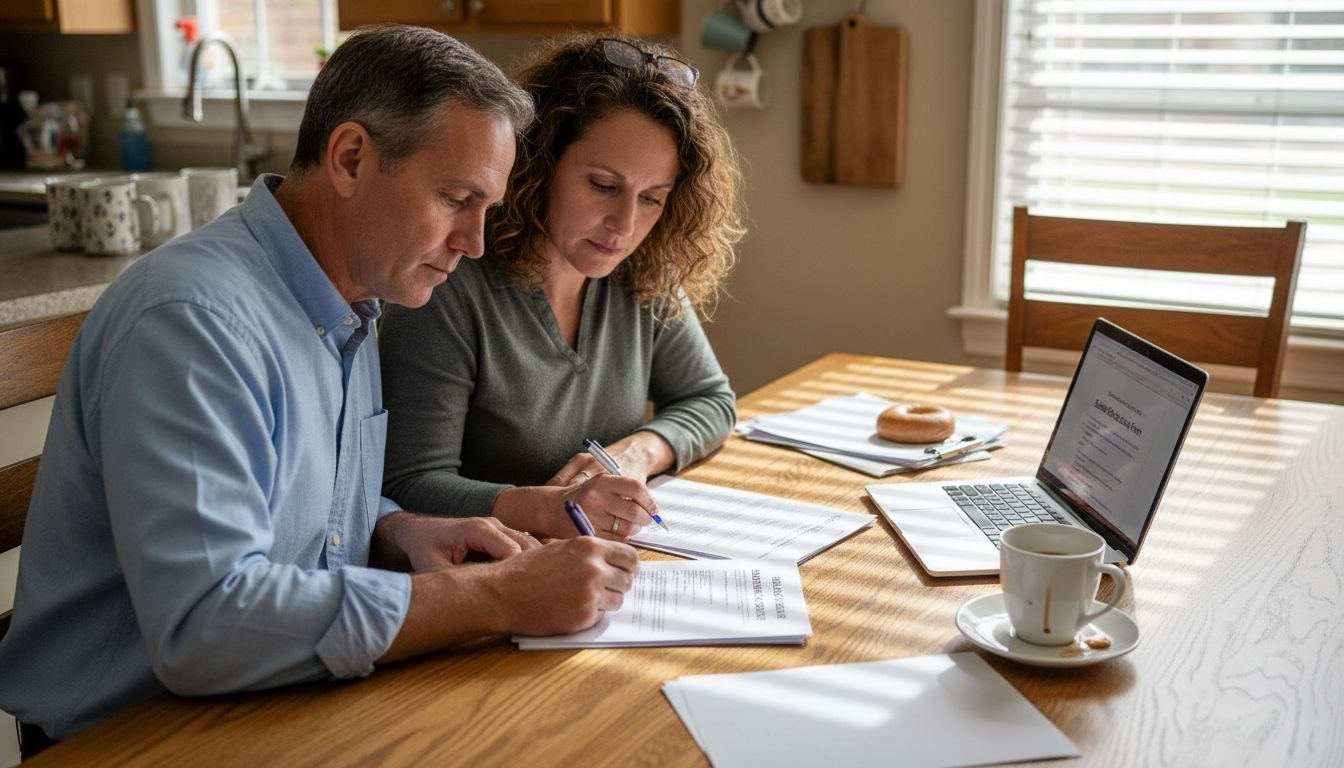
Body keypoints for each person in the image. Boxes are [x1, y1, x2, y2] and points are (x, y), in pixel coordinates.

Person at [0, 25, 639, 754]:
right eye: (457, 198)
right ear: (351, 158)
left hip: (271, 700)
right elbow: (205, 625)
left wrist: (395, 528)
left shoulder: (353, 300)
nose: (475, 243)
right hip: (131, 735)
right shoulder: (192, 323)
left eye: (486, 208)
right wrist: (493, 595)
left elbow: (300, 508)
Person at [379, 34, 745, 542]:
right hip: (493, 576)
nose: (624, 225)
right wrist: (552, 507)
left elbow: (709, 399)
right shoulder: (448, 286)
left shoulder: (642, 273)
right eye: (602, 185)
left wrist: (636, 452)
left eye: (652, 199)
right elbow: (407, 485)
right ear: (539, 163)